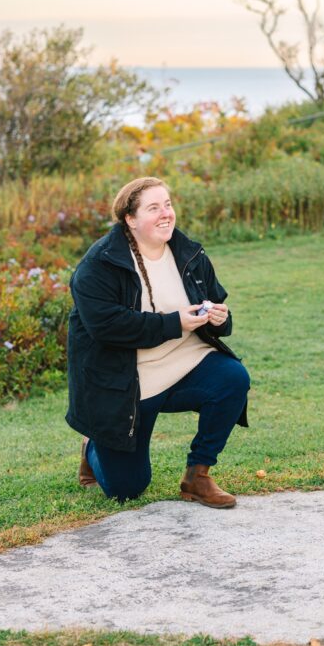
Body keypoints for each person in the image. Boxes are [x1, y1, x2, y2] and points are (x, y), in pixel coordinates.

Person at [66, 176, 250, 508]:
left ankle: (198, 475)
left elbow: (214, 303)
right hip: (127, 384)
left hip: (185, 364)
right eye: (153, 208)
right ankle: (93, 446)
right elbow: (105, 326)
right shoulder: (100, 264)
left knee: (233, 379)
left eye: (167, 204)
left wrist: (222, 319)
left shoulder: (188, 252)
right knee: (127, 489)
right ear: (130, 219)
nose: (166, 213)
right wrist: (172, 323)